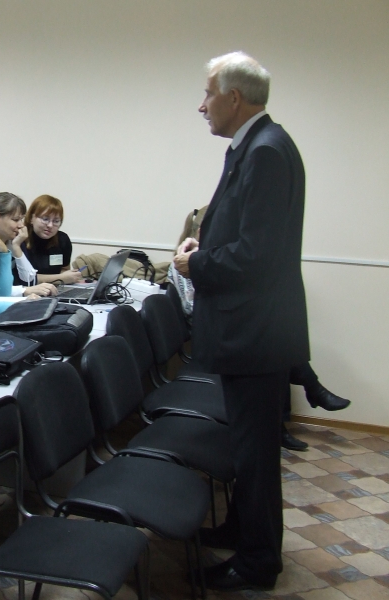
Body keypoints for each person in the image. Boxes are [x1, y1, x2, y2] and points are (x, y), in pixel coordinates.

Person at [173, 52, 309, 591]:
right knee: (247, 449)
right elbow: (243, 233)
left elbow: (257, 255)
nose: (201, 105)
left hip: (254, 332)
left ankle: (257, 562)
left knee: (255, 454)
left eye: (208, 93)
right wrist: (203, 246)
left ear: (234, 97)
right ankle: (242, 530)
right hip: (252, 329)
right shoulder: (256, 145)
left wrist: (196, 264)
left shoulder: (266, 152)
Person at [169, 207, 350, 452]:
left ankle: (284, 421)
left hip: (225, 326)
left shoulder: (212, 258)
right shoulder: (184, 261)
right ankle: (308, 393)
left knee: (273, 347)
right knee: (271, 349)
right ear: (201, 231)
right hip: (205, 331)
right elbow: (191, 306)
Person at [0, 192, 58, 298]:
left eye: (21, 219)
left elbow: (30, 281)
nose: (21, 225)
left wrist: (17, 247)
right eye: (15, 220)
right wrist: (24, 291)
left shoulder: (13, 241)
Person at [21, 194, 83, 284]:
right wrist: (60, 278)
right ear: (31, 218)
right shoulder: (20, 239)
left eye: (56, 221)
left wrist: (70, 277)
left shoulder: (62, 240)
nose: (50, 225)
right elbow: (22, 278)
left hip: (55, 289)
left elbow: (64, 269)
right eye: (45, 219)